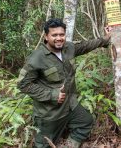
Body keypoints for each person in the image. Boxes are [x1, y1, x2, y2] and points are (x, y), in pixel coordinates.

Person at [17, 18, 110, 148]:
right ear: (46, 36)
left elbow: (86, 46)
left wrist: (106, 39)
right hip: (49, 113)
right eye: (54, 35)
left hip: (70, 105)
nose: (59, 38)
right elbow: (22, 84)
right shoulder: (37, 58)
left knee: (86, 122)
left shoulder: (69, 48)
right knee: (43, 145)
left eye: (61, 34)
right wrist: (52, 95)